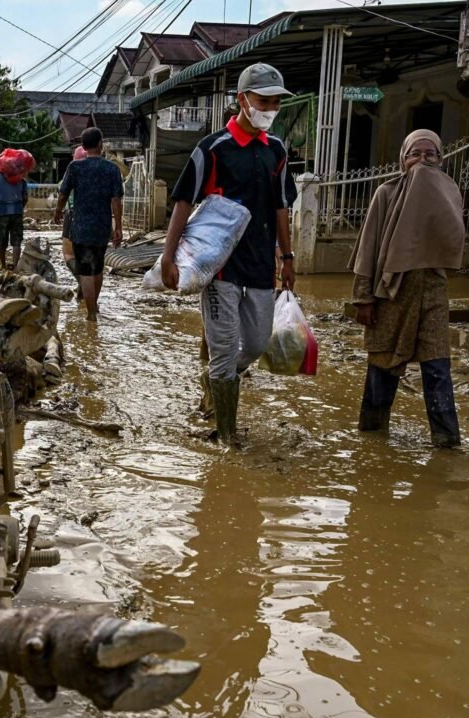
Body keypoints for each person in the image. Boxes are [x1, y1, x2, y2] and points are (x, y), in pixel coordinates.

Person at [159, 62, 297, 443]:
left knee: (254, 344)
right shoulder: (213, 149)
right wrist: (169, 259)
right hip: (218, 267)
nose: (270, 109)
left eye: (275, 103)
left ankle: (215, 379)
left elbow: (282, 207)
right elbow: (184, 203)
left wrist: (287, 258)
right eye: (263, 101)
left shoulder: (277, 151)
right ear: (243, 99)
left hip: (260, 264)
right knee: (222, 348)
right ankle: (226, 434)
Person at [349, 129, 464, 448]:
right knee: (383, 366)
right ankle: (372, 437)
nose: (423, 160)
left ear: (441, 160)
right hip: (392, 294)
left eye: (431, 155)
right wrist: (363, 298)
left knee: (438, 367)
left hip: (433, 293)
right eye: (416, 154)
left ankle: (447, 443)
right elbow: (368, 250)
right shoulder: (386, 193)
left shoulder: (450, 194)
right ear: (403, 160)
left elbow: (452, 245)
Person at [54, 130, 123, 320]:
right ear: (101, 144)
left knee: (85, 271)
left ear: (83, 147)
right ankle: (94, 306)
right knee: (98, 268)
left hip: (80, 225)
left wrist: (58, 212)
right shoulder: (111, 169)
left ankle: (91, 313)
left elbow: (63, 194)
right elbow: (116, 200)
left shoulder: (75, 167)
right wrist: (118, 227)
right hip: (102, 225)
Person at [0, 162, 29, 270]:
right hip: (17, 213)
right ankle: (15, 266)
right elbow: (25, 197)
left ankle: (3, 266)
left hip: (2, 213)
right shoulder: (21, 179)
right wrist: (20, 207)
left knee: (1, 240)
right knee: (16, 241)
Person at [59, 145, 87, 298]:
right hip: (94, 218)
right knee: (86, 256)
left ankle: (83, 282)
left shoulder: (72, 171)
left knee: (69, 254)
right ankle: (84, 289)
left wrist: (57, 211)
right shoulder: (99, 172)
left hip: (73, 215)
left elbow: (62, 193)